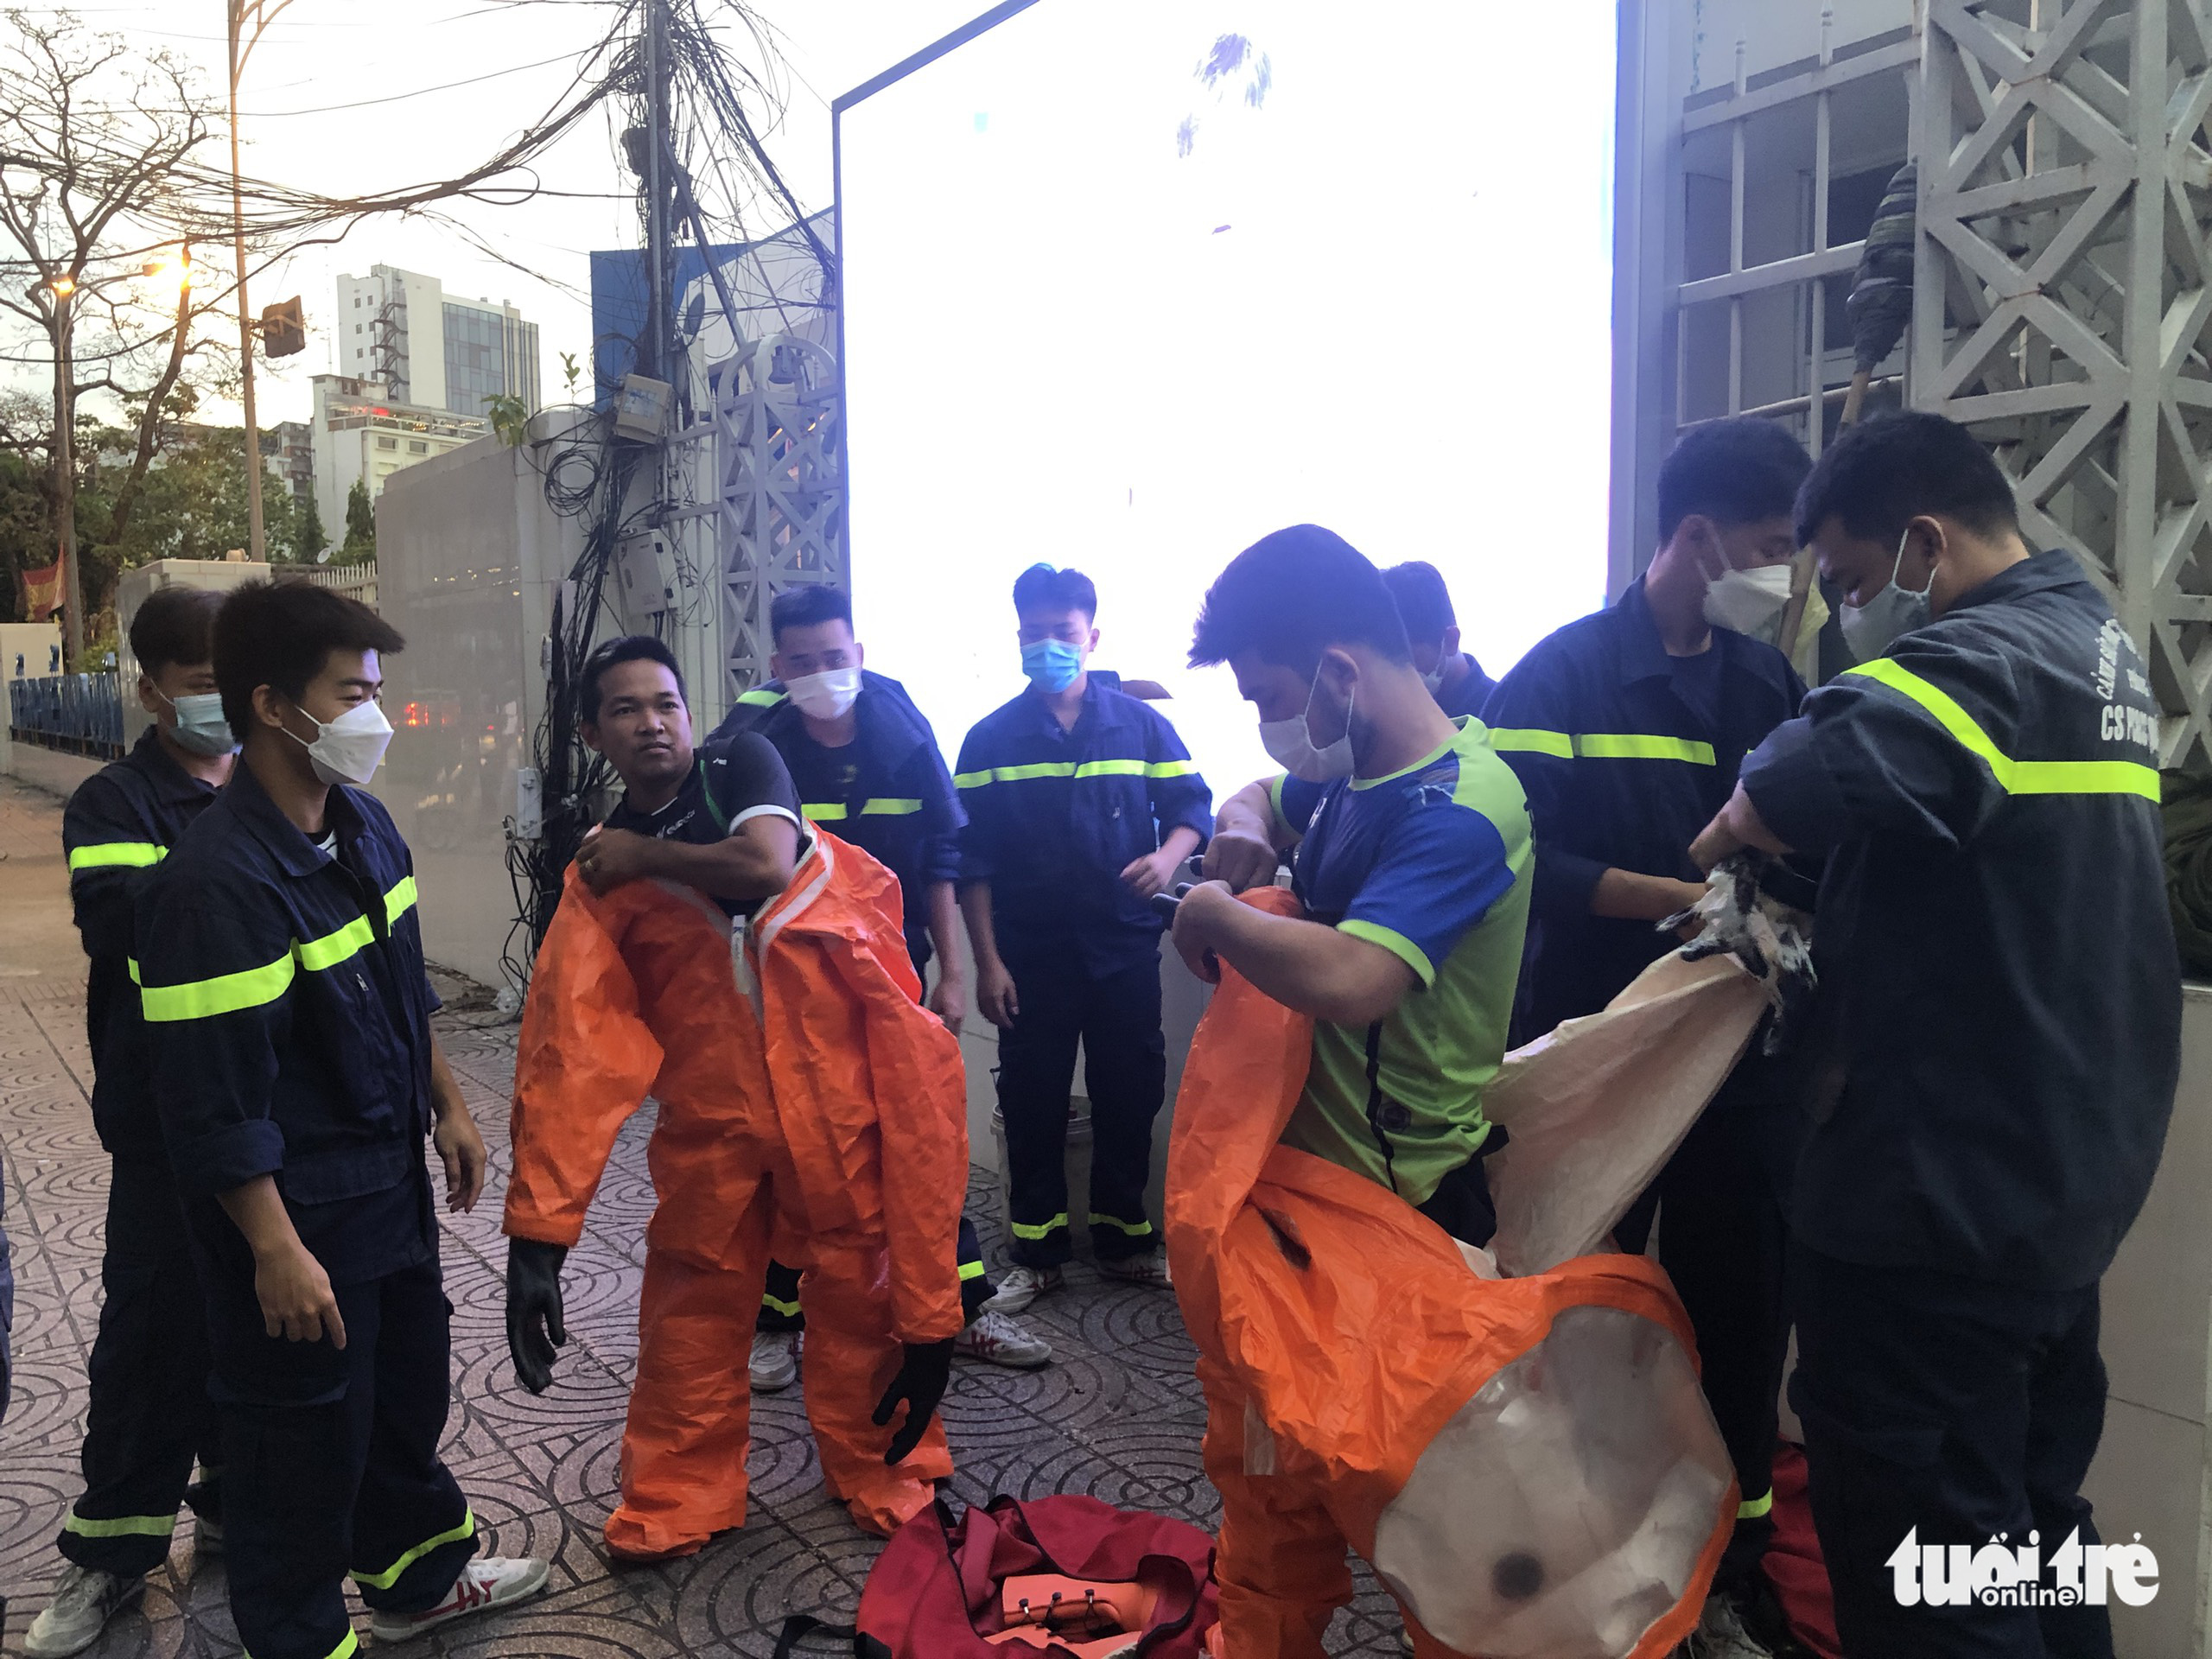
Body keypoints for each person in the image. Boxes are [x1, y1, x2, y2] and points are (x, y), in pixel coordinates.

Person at [1692, 412, 2178, 1659]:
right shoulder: (2098, 647)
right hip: (2050, 1193)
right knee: (2027, 1539)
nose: (1846, 615)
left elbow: (1784, 784)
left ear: (1924, 542)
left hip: (1934, 1211)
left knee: (1927, 1571)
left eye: (1851, 584)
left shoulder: (1988, 657)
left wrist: (1729, 827)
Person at [133, 581, 546, 1659]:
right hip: (295, 1217)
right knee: (297, 1447)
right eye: (353, 691)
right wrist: (272, 1246)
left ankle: (417, 1578)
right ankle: (300, 1635)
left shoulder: (359, 824)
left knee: (399, 1396)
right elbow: (209, 1099)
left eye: (377, 689)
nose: (376, 714)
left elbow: (402, 993)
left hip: (383, 1188)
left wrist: (448, 1104)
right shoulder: (211, 887)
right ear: (274, 705)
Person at [504, 637, 968, 1552]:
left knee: (865, 1293)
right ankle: (677, 1496)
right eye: (627, 710)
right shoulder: (599, 878)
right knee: (690, 1310)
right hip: (714, 1125)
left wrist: (642, 853)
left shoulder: (740, 763)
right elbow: (572, 1049)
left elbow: (767, 865)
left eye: (666, 702)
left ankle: (887, 1468)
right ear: (594, 733)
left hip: (836, 1110)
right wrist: (540, 1236)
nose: (653, 723)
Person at [1478, 415, 1811, 1657]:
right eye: (1778, 546)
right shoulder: (1560, 676)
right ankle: (1569, 1548)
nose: (1791, 573)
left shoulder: (1768, 683)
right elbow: (1512, 856)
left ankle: (1733, 1568)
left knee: (1742, 1312)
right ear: (1696, 535)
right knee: (1576, 1307)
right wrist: (1676, 898)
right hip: (1601, 1055)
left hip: (1740, 1065)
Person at [1172, 524, 1534, 1654]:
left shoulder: (1463, 806)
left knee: (1435, 1521)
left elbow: (1362, 978)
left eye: (1273, 695)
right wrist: (1236, 832)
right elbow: (1258, 794)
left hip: (1401, 1226)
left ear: (1338, 673)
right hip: (1292, 1225)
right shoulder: (1349, 780)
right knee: (1272, 1500)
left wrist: (1214, 915)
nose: (1270, 725)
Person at [713, 585, 1052, 1379]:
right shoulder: (759, 747)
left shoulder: (904, 737)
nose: (822, 674)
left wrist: (956, 973)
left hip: (897, 978)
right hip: (788, 991)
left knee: (922, 1140)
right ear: (777, 666)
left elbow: (942, 858)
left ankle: (958, 1310)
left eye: (835, 658)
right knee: (791, 1145)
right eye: (802, 662)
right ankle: (780, 1319)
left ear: (858, 654)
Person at [28, 590, 238, 1657]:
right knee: (149, 1334)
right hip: (162, 1122)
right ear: (152, 691)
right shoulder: (116, 802)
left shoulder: (282, 789)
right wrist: (251, 870)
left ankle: (240, 1513)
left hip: (274, 1120)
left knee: (268, 1330)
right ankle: (112, 1556)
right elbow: (126, 928)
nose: (221, 705)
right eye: (199, 685)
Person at [956, 564, 1211, 1307]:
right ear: (1018, 640)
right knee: (1033, 1101)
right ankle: (1036, 1252)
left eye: (1062, 634)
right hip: (1029, 957)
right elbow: (970, 863)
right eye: (1033, 635)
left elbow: (1191, 805)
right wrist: (988, 962)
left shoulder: (1141, 726)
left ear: (1091, 637)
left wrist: (1167, 859)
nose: (1047, 647)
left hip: (1123, 949)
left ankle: (1123, 1239)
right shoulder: (989, 740)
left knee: (1129, 1092)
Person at [1380, 560, 1496, 718]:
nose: (1399, 676)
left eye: (1411, 661)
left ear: (1451, 640)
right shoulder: (1393, 718)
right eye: (1389, 663)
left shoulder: (1500, 714)